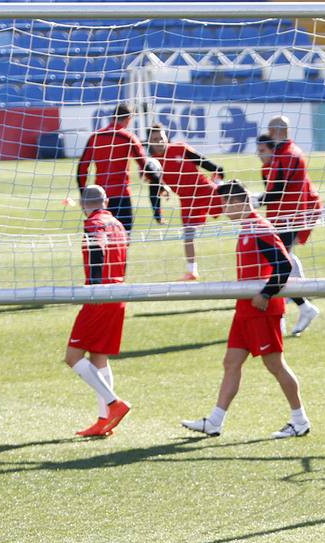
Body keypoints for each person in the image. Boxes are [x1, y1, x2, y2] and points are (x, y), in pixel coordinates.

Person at [181, 180, 310, 440]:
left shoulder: (260, 229)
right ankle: (215, 421)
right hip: (245, 308)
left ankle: (300, 420)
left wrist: (266, 293)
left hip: (261, 308)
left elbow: (284, 266)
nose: (223, 208)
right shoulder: (247, 229)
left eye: (225, 203)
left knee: (275, 364)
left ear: (238, 202)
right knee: (231, 362)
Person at [66, 186, 132, 438]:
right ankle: (104, 420)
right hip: (119, 292)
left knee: (73, 356)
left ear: (84, 204)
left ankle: (114, 404)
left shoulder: (94, 224)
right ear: (105, 201)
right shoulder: (117, 223)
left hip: (100, 295)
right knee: (99, 357)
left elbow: (98, 249)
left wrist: (93, 286)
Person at [261, 116, 322, 335]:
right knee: (283, 260)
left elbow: (280, 190)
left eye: (269, 130)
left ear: (277, 131)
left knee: (278, 264)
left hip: (288, 217)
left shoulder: (288, 155)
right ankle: (301, 304)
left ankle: (294, 309)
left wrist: (256, 200)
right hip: (283, 216)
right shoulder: (282, 154)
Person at [145, 123, 225, 281]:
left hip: (205, 190)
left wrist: (219, 173)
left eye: (160, 137)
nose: (159, 141)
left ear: (166, 137)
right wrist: (157, 213)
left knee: (234, 212)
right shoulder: (153, 164)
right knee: (188, 235)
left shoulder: (180, 148)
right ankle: (192, 271)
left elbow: (203, 162)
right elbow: (153, 191)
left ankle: (255, 211)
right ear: (149, 142)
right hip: (187, 200)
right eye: (154, 139)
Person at [76, 102, 157, 234]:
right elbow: (145, 165)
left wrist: (83, 193)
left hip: (100, 199)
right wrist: (157, 181)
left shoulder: (95, 137)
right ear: (128, 119)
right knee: (123, 239)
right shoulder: (128, 137)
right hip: (121, 196)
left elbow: (82, 168)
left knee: (100, 239)